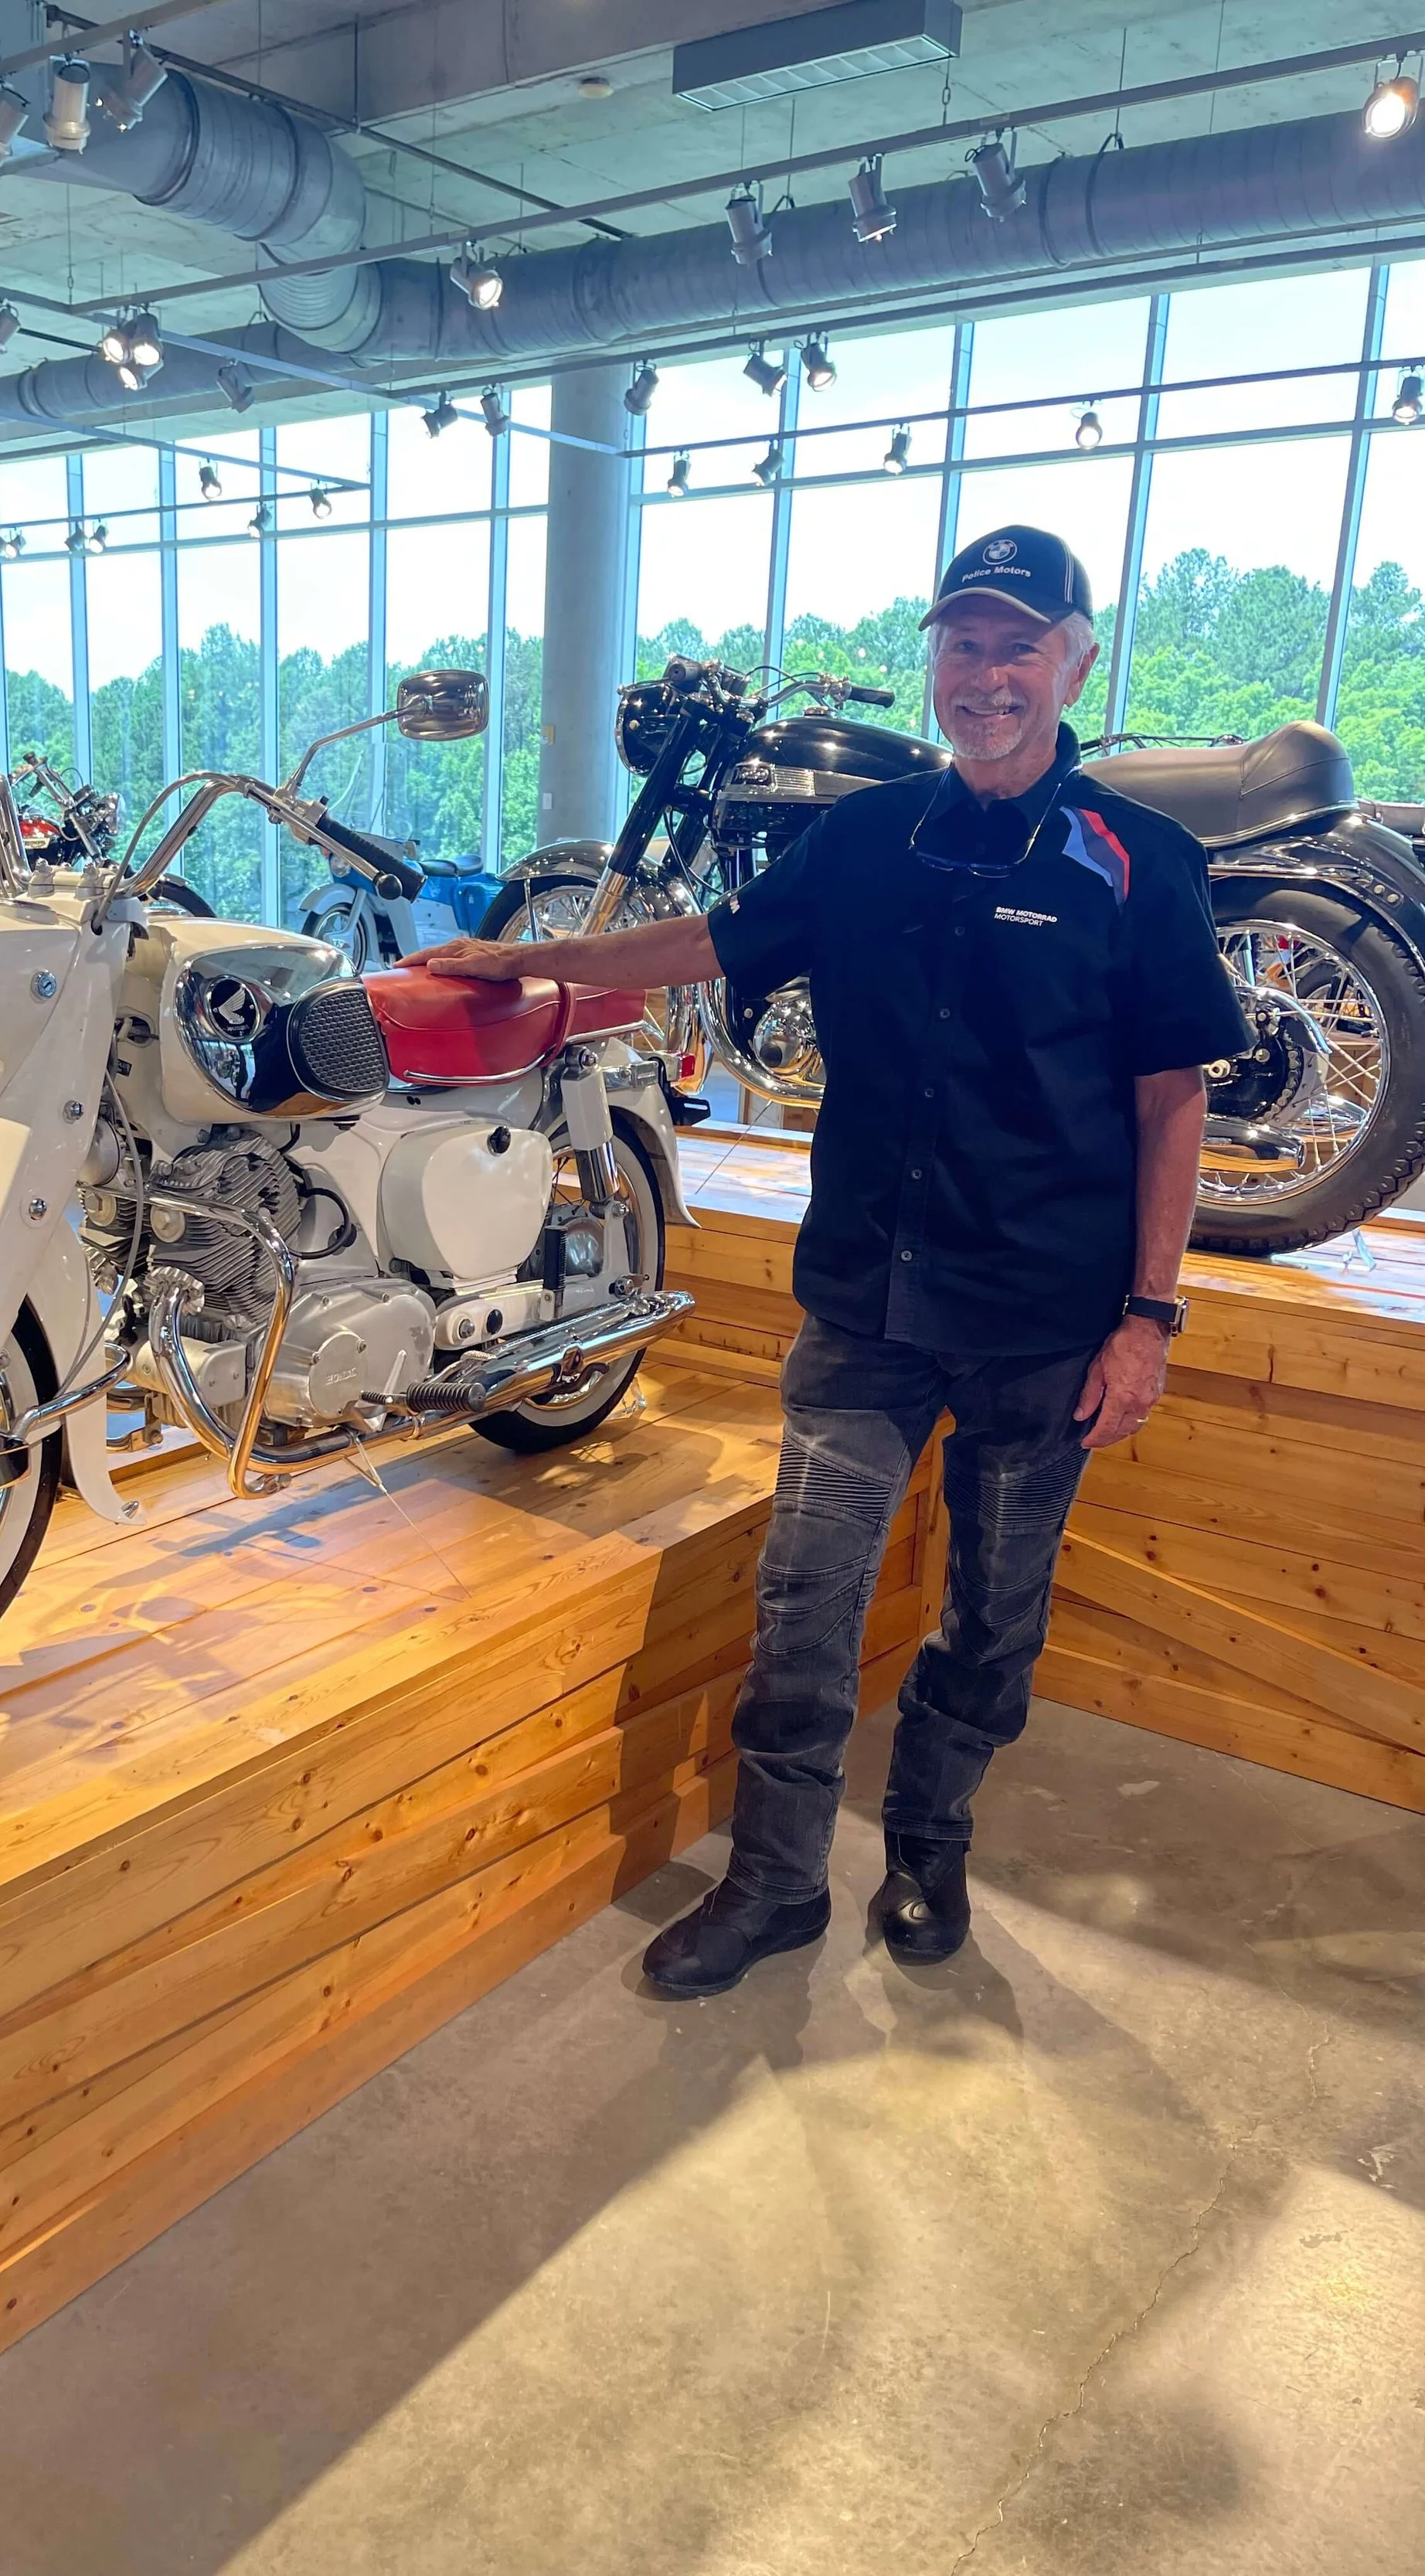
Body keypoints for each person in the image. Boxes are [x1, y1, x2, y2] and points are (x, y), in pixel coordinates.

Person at [423, 525, 1253, 1995]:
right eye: (962, 644)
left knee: (995, 1623)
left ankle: (931, 1844)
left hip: (1045, 1325)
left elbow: (1169, 1097)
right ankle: (777, 1883)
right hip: (865, 1304)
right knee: (805, 1609)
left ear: (1075, 660)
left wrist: (1150, 1317)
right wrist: (538, 963)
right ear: (932, 661)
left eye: (1017, 646)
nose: (986, 676)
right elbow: (712, 944)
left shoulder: (1137, 860)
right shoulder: (865, 840)